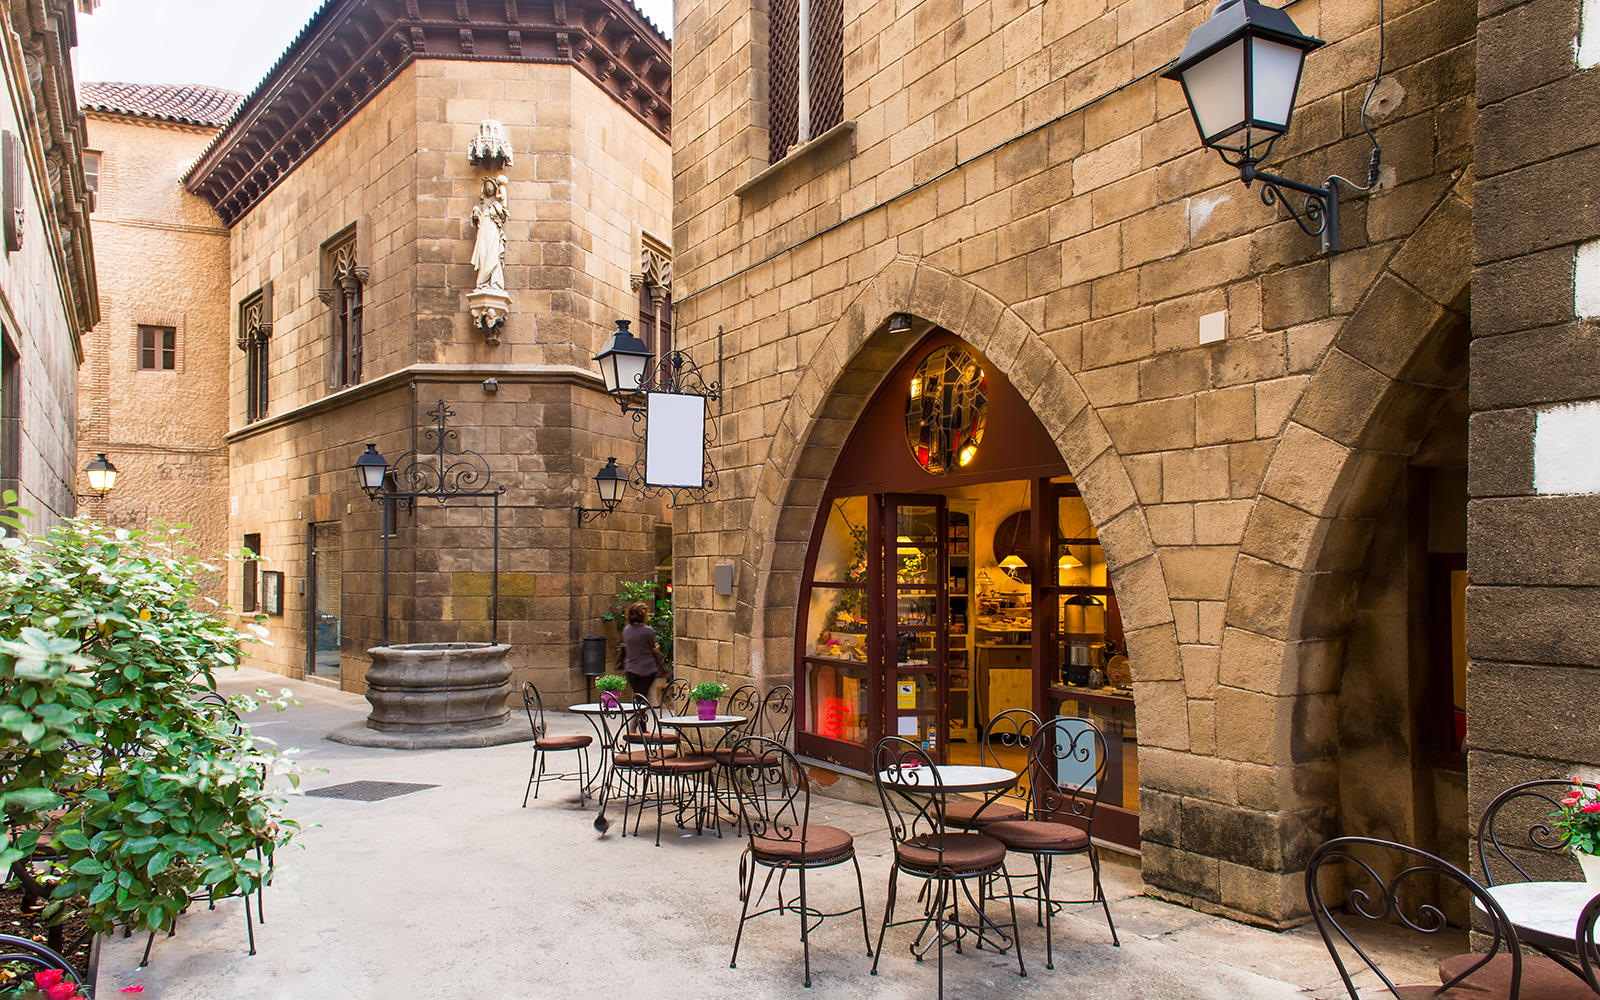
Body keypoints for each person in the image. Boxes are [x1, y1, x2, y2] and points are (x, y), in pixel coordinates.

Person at [621, 601, 660, 704]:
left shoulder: (626, 630)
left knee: (639, 695)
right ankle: (637, 719)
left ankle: (639, 718)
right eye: (647, 612)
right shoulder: (648, 630)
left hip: (630, 669)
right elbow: (653, 648)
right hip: (646, 670)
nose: (648, 615)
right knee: (641, 697)